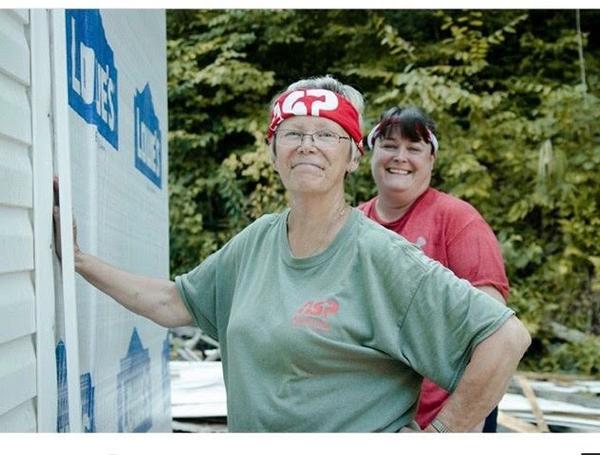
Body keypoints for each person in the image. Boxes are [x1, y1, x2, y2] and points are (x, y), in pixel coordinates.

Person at [54, 75, 530, 432]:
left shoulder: (382, 256)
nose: (308, 145)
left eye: (326, 134)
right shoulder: (256, 242)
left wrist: (440, 437)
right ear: (273, 149)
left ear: (351, 156)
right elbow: (172, 302)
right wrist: (79, 261)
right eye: (293, 133)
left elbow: (504, 338)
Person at [358, 106, 510, 432]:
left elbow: (495, 334)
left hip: (440, 418)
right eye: (389, 145)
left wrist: (454, 428)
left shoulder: (457, 221)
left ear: (431, 160)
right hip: (371, 419)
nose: (400, 157)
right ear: (371, 153)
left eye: (414, 148)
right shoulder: (353, 226)